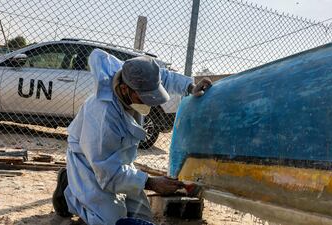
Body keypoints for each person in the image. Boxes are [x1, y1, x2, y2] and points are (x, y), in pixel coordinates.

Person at [52, 48, 212, 225]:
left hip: (117, 160)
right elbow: (108, 174)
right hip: (90, 162)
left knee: (140, 217)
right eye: (144, 96)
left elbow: (163, 78)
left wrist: (189, 86)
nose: (149, 100)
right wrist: (151, 183)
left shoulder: (132, 74)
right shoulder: (103, 115)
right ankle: (68, 192)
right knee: (111, 220)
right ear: (124, 89)